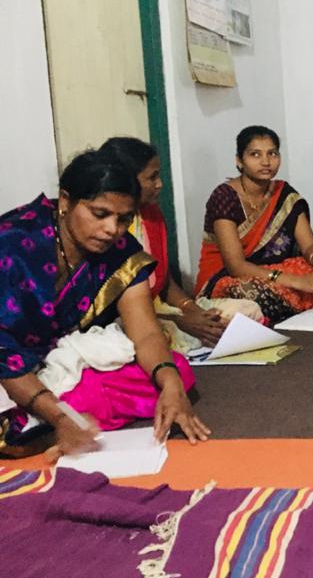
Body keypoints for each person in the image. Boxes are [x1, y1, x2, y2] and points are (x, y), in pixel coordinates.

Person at [0, 150, 210, 460]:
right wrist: (60, 416)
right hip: (7, 368)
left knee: (174, 369)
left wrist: (170, 383)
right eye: (100, 214)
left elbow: (146, 334)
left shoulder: (122, 250)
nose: (113, 229)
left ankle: (47, 422)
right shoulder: (12, 243)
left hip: (53, 364)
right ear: (65, 201)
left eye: (124, 219)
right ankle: (51, 421)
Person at [100, 137, 264, 352]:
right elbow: (112, 306)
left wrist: (192, 310)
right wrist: (180, 321)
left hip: (160, 307)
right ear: (126, 180)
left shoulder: (152, 215)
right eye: (152, 178)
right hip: (129, 316)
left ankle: (200, 337)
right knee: (150, 333)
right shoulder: (109, 227)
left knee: (247, 309)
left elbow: (163, 278)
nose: (160, 184)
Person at [195, 126, 313, 323]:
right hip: (230, 278)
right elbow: (236, 267)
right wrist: (299, 282)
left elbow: (308, 245)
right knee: (247, 293)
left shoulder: (284, 193)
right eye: (255, 154)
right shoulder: (224, 197)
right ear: (239, 161)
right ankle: (308, 299)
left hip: (276, 272)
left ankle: (295, 301)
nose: (266, 162)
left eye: (272, 153)